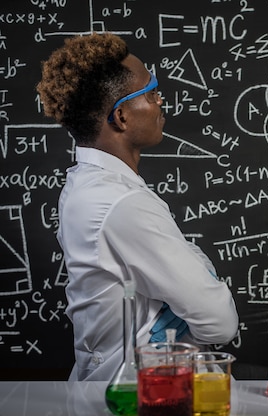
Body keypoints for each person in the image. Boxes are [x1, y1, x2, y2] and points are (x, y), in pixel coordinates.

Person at [36, 33, 239, 381]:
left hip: (122, 383)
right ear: (121, 116)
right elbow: (220, 323)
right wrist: (198, 263)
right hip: (145, 392)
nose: (160, 101)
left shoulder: (87, 185)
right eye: (151, 92)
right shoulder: (121, 203)